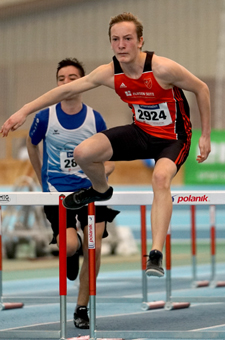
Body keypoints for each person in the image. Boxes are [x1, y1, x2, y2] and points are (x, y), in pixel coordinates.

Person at [1, 12, 211, 278]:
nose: (121, 44)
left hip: (173, 138)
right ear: (110, 43)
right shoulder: (109, 73)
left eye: (127, 39)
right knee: (84, 152)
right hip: (141, 133)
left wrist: (204, 135)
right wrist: (24, 110)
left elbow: (201, 88)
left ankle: (156, 253)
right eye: (115, 39)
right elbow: (65, 91)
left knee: (160, 178)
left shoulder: (162, 69)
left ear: (140, 41)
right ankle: (101, 190)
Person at [26, 58, 119, 329]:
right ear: (57, 83)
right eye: (61, 78)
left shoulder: (94, 118)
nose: (67, 83)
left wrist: (105, 171)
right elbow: (32, 145)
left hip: (90, 191)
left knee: (96, 248)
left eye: (72, 77)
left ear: (83, 82)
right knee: (70, 246)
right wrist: (41, 176)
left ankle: (81, 307)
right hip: (58, 193)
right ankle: (70, 251)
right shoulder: (45, 116)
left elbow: (109, 157)